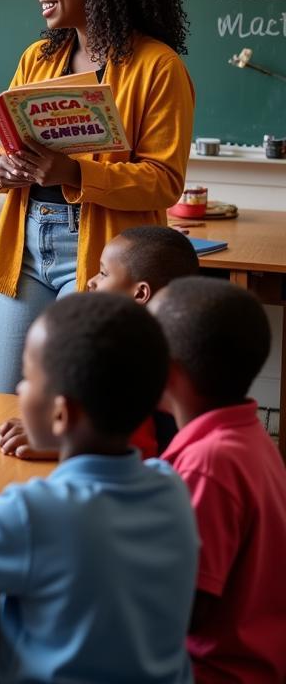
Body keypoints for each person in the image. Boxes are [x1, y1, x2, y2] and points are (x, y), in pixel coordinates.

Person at [0, 292, 198, 684]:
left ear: (61, 414)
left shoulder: (36, 511)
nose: (18, 390)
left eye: (29, 379)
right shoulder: (171, 487)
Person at [0, 0, 195, 392]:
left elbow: (163, 180)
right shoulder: (38, 58)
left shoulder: (158, 66)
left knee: (78, 401)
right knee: (4, 398)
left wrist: (73, 172)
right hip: (28, 242)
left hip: (104, 255)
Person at [151, 278, 286, 684]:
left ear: (169, 371)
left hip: (210, 670)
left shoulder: (208, 464)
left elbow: (182, 611)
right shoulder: (248, 438)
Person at [0, 225, 200, 459]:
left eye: (103, 273)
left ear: (140, 294)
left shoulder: (139, 362)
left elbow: (137, 449)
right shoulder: (129, 344)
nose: (91, 282)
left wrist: (59, 444)